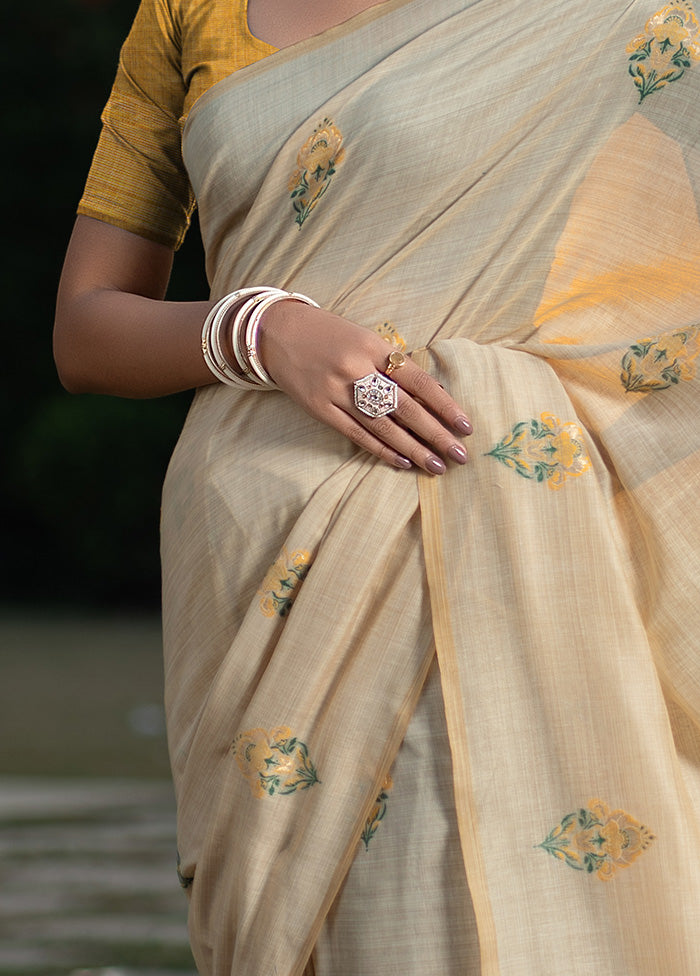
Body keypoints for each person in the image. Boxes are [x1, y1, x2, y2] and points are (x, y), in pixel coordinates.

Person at [54, 0, 700, 973]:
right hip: (261, 542)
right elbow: (87, 330)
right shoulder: (188, 14)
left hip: (520, 520)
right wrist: (260, 327)